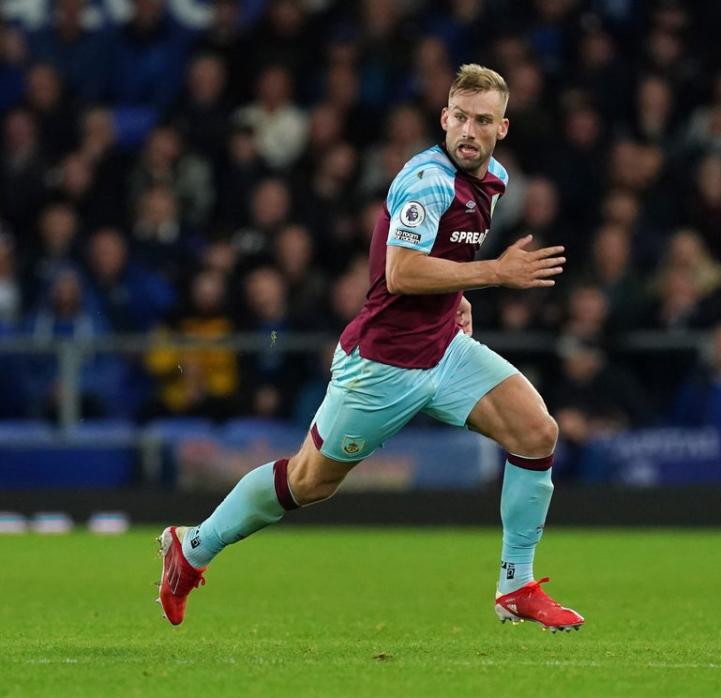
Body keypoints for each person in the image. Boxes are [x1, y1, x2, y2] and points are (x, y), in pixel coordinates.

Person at [157, 64, 583, 632]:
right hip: (382, 364)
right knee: (309, 483)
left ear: (501, 129)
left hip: (443, 349)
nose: (468, 130)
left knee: (537, 432)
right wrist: (494, 273)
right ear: (443, 118)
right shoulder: (425, 179)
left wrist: (457, 295)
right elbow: (401, 272)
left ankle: (516, 587)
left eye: (482, 121)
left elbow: (442, 258)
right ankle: (193, 547)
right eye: (459, 117)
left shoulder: (494, 179)